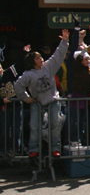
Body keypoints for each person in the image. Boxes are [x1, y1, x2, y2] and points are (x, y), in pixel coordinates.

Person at [14, 29, 70, 159]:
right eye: (38, 58)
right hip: (37, 102)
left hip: (53, 100)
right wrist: (25, 98)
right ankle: (34, 149)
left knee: (55, 124)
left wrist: (65, 41)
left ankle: (55, 148)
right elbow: (18, 86)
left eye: (40, 57)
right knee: (34, 126)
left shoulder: (48, 67)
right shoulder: (28, 74)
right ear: (32, 61)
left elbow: (58, 55)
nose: (41, 59)